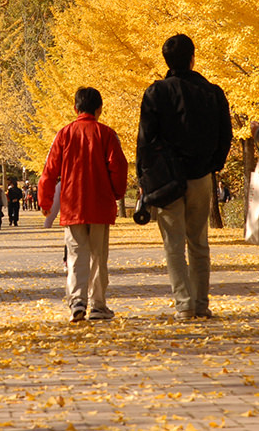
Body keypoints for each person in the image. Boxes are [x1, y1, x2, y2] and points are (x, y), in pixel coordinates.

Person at [137, 34, 232, 321]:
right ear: (193, 58)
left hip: (167, 180)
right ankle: (202, 304)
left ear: (166, 60)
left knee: (173, 244)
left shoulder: (156, 93)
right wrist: (213, 163)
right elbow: (225, 135)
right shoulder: (213, 93)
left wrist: (145, 177)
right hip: (201, 175)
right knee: (199, 242)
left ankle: (184, 304)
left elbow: (145, 139)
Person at [39, 86, 129, 323]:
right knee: (98, 256)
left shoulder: (64, 134)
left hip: (72, 204)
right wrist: (117, 193)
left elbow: (49, 169)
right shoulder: (107, 134)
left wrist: (45, 199)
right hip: (100, 204)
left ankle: (77, 301)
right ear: (99, 109)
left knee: (76, 254)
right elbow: (118, 166)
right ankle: (98, 305)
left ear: (75, 108)